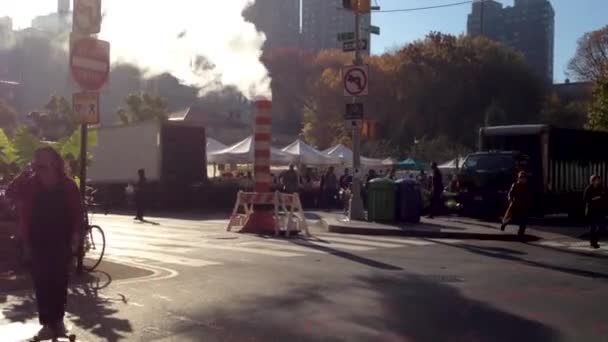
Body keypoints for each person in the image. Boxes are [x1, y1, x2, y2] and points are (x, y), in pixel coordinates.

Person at [7, 147, 83, 340]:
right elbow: (10, 193)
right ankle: (48, 324)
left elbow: (76, 212)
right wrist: (22, 175)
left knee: (59, 281)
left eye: (43, 158)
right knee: (42, 282)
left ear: (54, 162)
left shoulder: (67, 185)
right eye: (36, 158)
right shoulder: (30, 183)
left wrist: (75, 237)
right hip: (37, 239)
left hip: (61, 240)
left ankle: (57, 321)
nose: (38, 162)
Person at [500, 171, 532, 238]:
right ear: (518, 178)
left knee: (523, 221)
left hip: (524, 205)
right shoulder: (515, 185)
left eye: (524, 178)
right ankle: (505, 223)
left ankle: (520, 234)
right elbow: (510, 194)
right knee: (513, 219)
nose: (522, 179)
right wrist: (510, 199)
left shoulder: (527, 186)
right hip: (516, 205)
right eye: (521, 177)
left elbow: (529, 196)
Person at [584, 175, 605, 249]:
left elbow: (604, 196)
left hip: (599, 210)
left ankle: (595, 241)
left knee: (601, 227)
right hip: (592, 210)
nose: (598, 181)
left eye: (599, 180)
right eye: (596, 180)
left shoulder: (601, 188)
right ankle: (593, 242)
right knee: (593, 227)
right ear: (592, 181)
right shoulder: (589, 189)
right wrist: (594, 198)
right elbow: (586, 199)